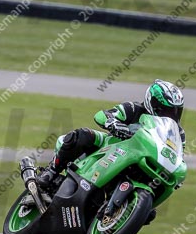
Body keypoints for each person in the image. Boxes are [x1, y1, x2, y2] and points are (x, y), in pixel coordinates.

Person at [37, 79, 185, 189]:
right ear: (153, 104)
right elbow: (103, 115)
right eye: (166, 110)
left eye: (175, 111)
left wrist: (177, 174)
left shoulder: (177, 133)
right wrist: (116, 125)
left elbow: (178, 156)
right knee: (82, 135)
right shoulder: (133, 109)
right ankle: (51, 171)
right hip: (112, 146)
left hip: (145, 164)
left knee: (149, 213)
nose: (170, 115)